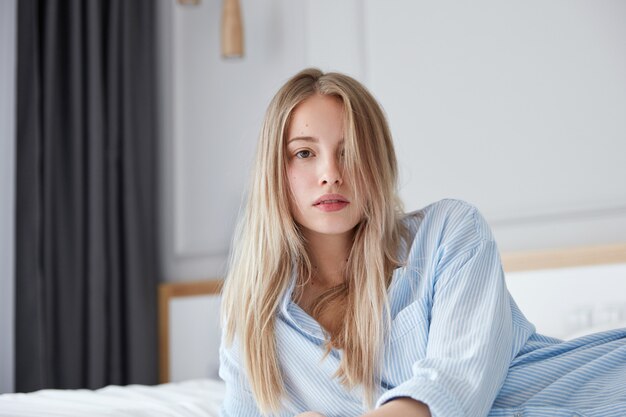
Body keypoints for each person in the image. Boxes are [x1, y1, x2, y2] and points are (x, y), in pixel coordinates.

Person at [219, 68, 626, 417]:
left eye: (352, 152)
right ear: (275, 170)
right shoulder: (252, 315)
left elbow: (452, 387)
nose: (331, 174)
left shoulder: (450, 232)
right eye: (305, 153)